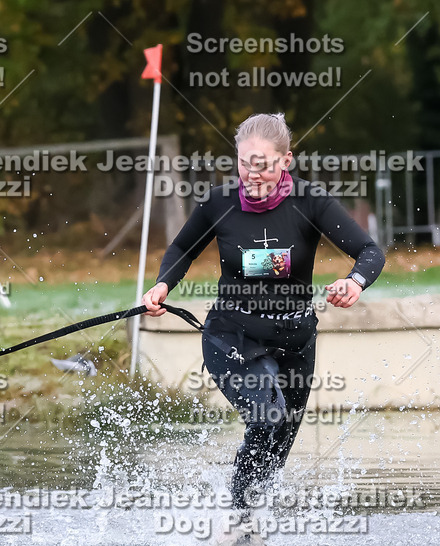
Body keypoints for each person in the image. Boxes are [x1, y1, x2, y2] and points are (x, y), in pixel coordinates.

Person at [142, 112, 385, 513]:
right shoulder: (218, 203)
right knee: (266, 416)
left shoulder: (311, 202)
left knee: (276, 448)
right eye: (244, 164)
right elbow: (183, 249)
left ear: (286, 161)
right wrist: (163, 284)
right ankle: (236, 524)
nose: (252, 175)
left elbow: (369, 252)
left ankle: (246, 523)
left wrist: (354, 282)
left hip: (294, 343)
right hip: (233, 336)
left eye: (264, 165)